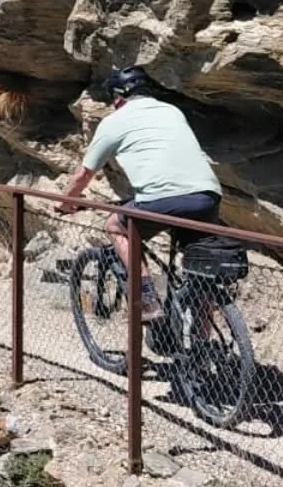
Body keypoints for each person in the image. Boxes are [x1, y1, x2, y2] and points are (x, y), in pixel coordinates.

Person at [58, 66, 222, 320]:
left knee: (115, 225)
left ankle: (147, 300)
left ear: (118, 97)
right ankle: (202, 339)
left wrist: (65, 202)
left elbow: (83, 174)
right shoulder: (171, 111)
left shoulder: (113, 122)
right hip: (206, 196)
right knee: (198, 274)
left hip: (161, 200)